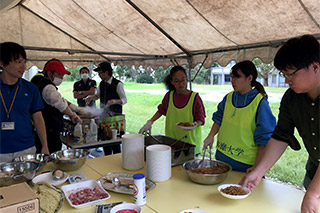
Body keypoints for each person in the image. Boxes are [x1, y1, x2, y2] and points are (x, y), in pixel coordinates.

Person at [239, 35, 320, 213]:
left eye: (291, 74)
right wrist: (258, 172)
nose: (286, 80)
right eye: (284, 74)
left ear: (315, 67)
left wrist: (313, 194)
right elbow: (281, 136)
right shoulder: (291, 98)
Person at [202, 60, 276, 172]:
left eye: (237, 77)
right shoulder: (228, 97)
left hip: (244, 165)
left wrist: (256, 168)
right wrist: (210, 136)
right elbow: (218, 120)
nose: (232, 81)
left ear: (249, 78)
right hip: (222, 159)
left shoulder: (260, 102)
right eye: (232, 77)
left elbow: (264, 139)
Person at [139, 65, 206, 155]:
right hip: (172, 143)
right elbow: (161, 110)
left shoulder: (195, 98)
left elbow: (201, 119)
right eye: (176, 81)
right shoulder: (169, 96)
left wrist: (195, 124)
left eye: (183, 80)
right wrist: (150, 121)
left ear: (187, 79)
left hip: (190, 145)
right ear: (172, 82)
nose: (180, 84)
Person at [0, 42, 49, 162]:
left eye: (24, 62)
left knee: (27, 180)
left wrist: (45, 145)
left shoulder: (31, 89)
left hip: (26, 149)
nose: (23, 67)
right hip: (1, 152)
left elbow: (38, 118)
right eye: (18, 62)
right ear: (2, 63)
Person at [31, 59, 82, 153]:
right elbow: (61, 105)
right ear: (50, 74)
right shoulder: (48, 87)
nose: (61, 78)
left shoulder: (41, 82)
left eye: (62, 75)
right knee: (52, 158)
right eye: (59, 75)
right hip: (49, 130)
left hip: (42, 130)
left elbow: (60, 99)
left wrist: (74, 108)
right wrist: (73, 115)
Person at [86, 61, 127, 155]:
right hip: (103, 117)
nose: (99, 75)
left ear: (107, 72)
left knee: (115, 142)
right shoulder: (102, 83)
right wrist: (91, 97)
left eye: (100, 73)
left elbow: (124, 100)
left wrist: (114, 101)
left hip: (115, 118)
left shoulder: (118, 84)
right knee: (104, 141)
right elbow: (98, 96)